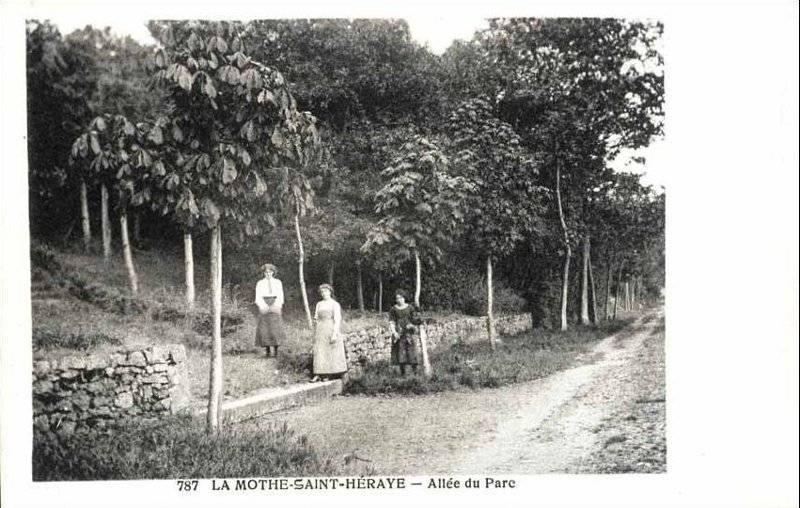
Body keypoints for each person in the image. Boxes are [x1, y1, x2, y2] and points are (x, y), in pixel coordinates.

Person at [311, 284, 347, 382]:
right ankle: (319, 373)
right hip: (320, 329)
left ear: (330, 292)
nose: (324, 294)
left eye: (326, 291)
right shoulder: (319, 304)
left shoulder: (335, 304)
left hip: (330, 327)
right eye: (322, 292)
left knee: (330, 351)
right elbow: (316, 316)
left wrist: (335, 333)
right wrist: (315, 324)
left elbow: (337, 319)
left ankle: (330, 374)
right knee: (320, 351)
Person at [254, 263, 286, 358]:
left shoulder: (278, 282)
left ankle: (276, 351)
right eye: (266, 272)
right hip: (264, 303)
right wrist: (262, 305)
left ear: (273, 273)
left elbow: (280, 295)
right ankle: (267, 351)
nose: (268, 274)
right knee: (265, 328)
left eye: (270, 272)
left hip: (275, 303)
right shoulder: (260, 283)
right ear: (263, 273)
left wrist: (276, 305)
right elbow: (258, 296)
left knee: (275, 328)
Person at [388, 289, 421, 376]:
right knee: (400, 353)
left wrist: (412, 325)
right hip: (399, 334)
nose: (399, 300)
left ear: (404, 298)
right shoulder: (393, 309)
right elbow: (391, 322)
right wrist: (394, 332)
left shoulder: (410, 308)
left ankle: (415, 373)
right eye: (397, 298)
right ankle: (403, 374)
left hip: (409, 333)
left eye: (401, 297)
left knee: (412, 352)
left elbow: (415, 320)